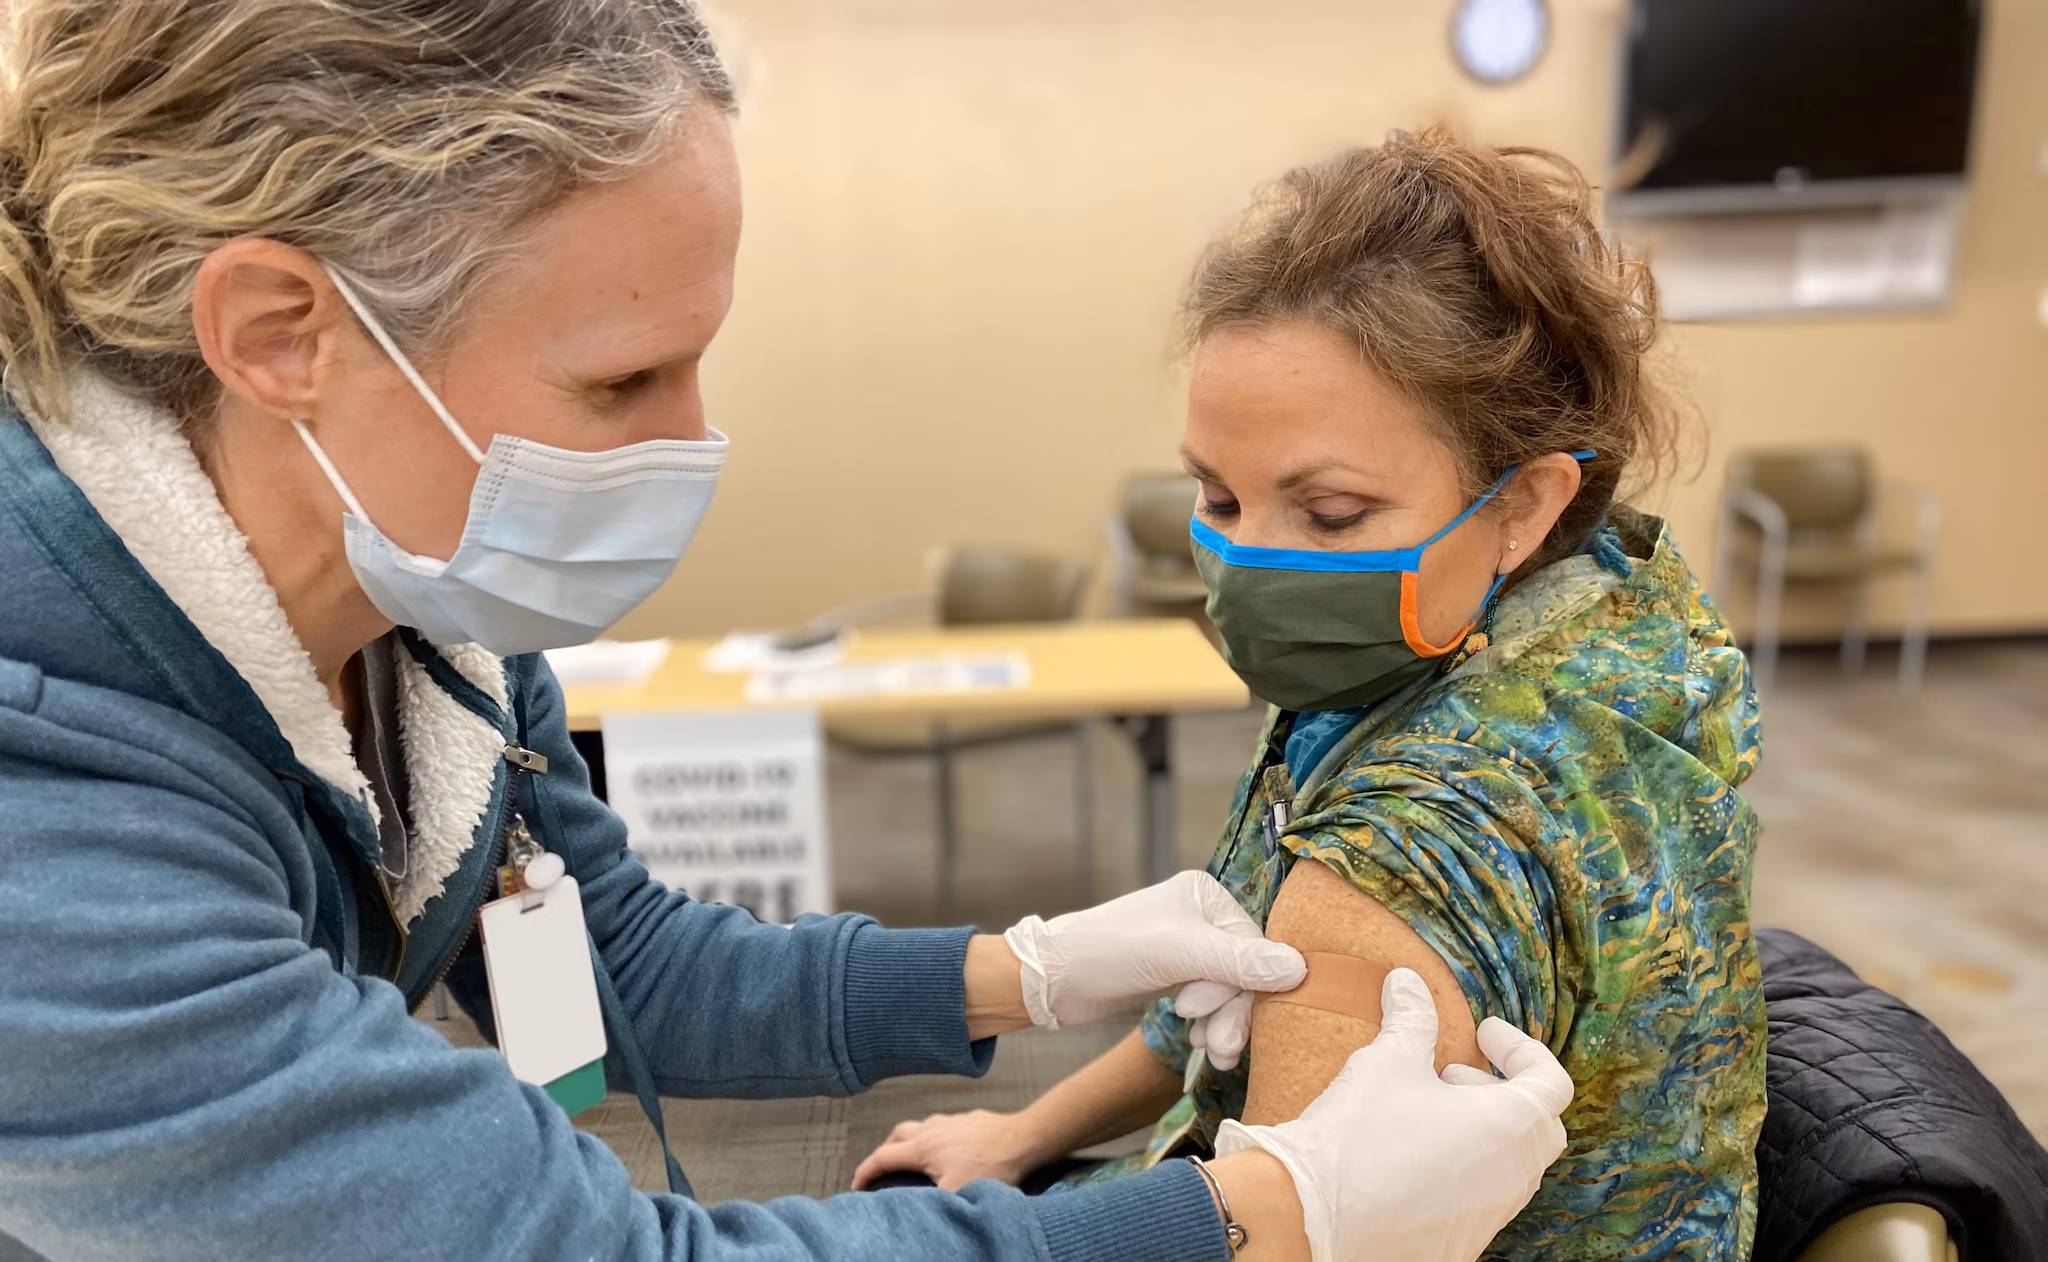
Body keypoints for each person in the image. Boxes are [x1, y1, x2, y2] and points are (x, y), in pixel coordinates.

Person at [0, 5, 1574, 1262]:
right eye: (620, 383)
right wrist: (1266, 1217)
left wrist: (1021, 973)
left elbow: (618, 965)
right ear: (281, 334)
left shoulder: (416, 604)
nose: (691, 443)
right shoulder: (48, 835)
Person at [857, 132, 1768, 1260]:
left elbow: (1269, 1226)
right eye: (1216, 495)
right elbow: (1202, 1013)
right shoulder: (1554, 628)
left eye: (1329, 515)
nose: (1250, 561)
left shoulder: (1411, 839)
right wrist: (1018, 1133)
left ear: (1523, 504)